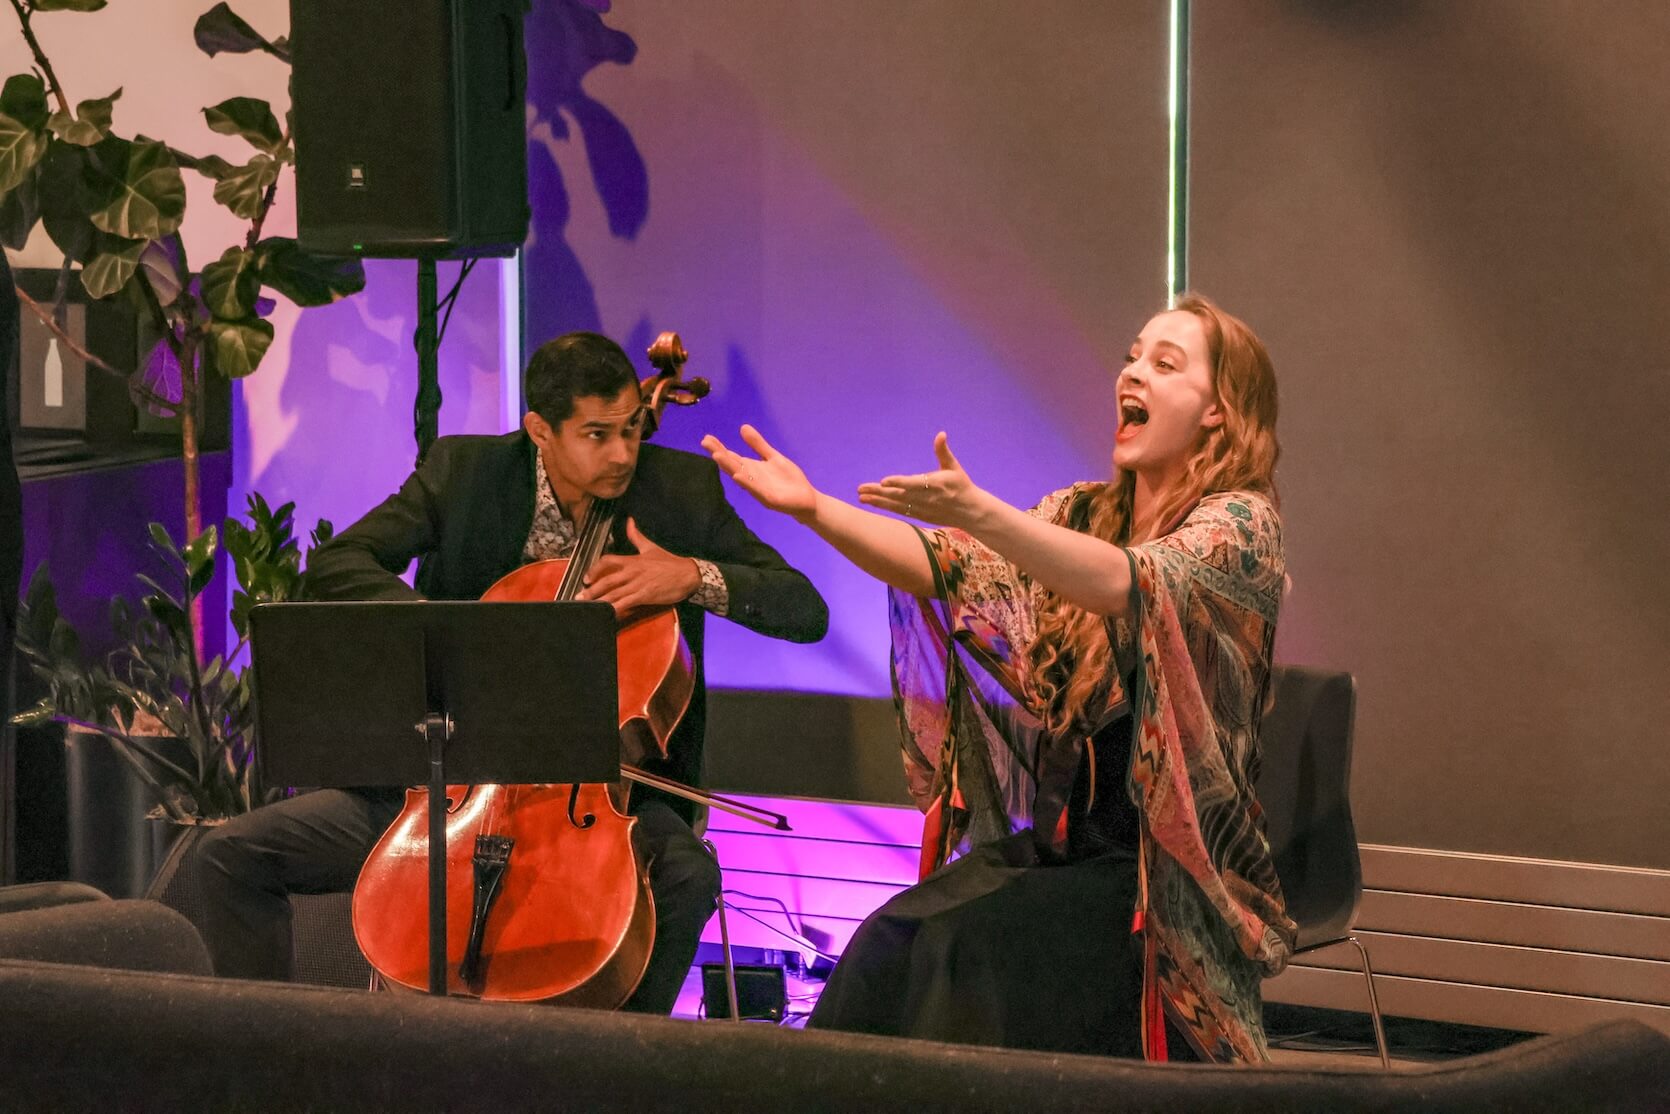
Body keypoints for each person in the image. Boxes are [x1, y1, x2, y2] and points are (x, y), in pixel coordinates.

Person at [702, 293, 1295, 1062]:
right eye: (1132, 355)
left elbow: (1128, 584)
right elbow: (950, 572)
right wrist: (813, 508)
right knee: (891, 941)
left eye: (1164, 363)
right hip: (1063, 855)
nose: (1133, 373)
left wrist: (983, 512)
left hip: (1160, 886)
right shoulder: (1083, 516)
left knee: (966, 958)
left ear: (1219, 412)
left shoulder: (1241, 529)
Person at [195, 331, 828, 1013]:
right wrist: (450, 632)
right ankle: (259, 1050)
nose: (622, 454)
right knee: (230, 856)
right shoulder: (464, 473)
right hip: (450, 790)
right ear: (540, 431)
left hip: (607, 803)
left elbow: (805, 609)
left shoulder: (681, 491)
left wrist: (689, 575)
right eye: (596, 434)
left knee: (687, 876)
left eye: (631, 430)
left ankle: (619, 1070)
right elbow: (341, 562)